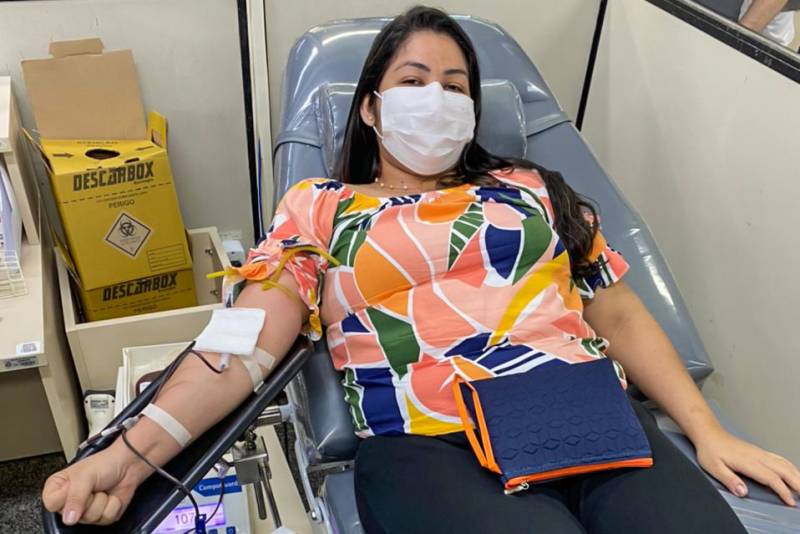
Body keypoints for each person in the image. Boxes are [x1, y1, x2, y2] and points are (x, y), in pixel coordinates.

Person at [42, 5, 799, 532]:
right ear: (370, 108)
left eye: (455, 85)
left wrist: (706, 431)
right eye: (411, 81)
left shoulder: (532, 189)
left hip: (583, 415)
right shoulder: (320, 207)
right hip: (427, 441)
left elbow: (618, 310)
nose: (435, 98)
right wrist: (130, 457)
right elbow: (246, 341)